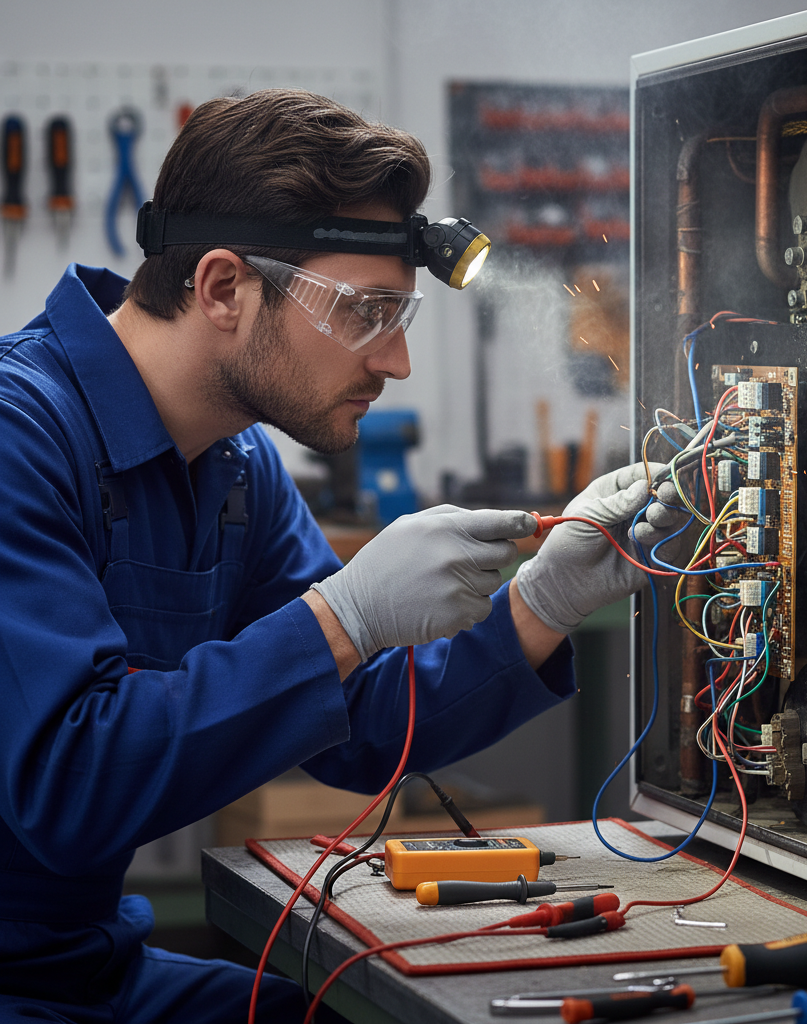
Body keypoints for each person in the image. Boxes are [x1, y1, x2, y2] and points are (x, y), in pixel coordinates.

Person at [0, 90, 680, 1022]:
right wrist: (341, 617)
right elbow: (68, 784)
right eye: (366, 313)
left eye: (401, 318)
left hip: (86, 969)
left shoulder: (235, 469)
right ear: (224, 288)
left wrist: (541, 606)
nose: (395, 361)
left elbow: (361, 720)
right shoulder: (18, 436)